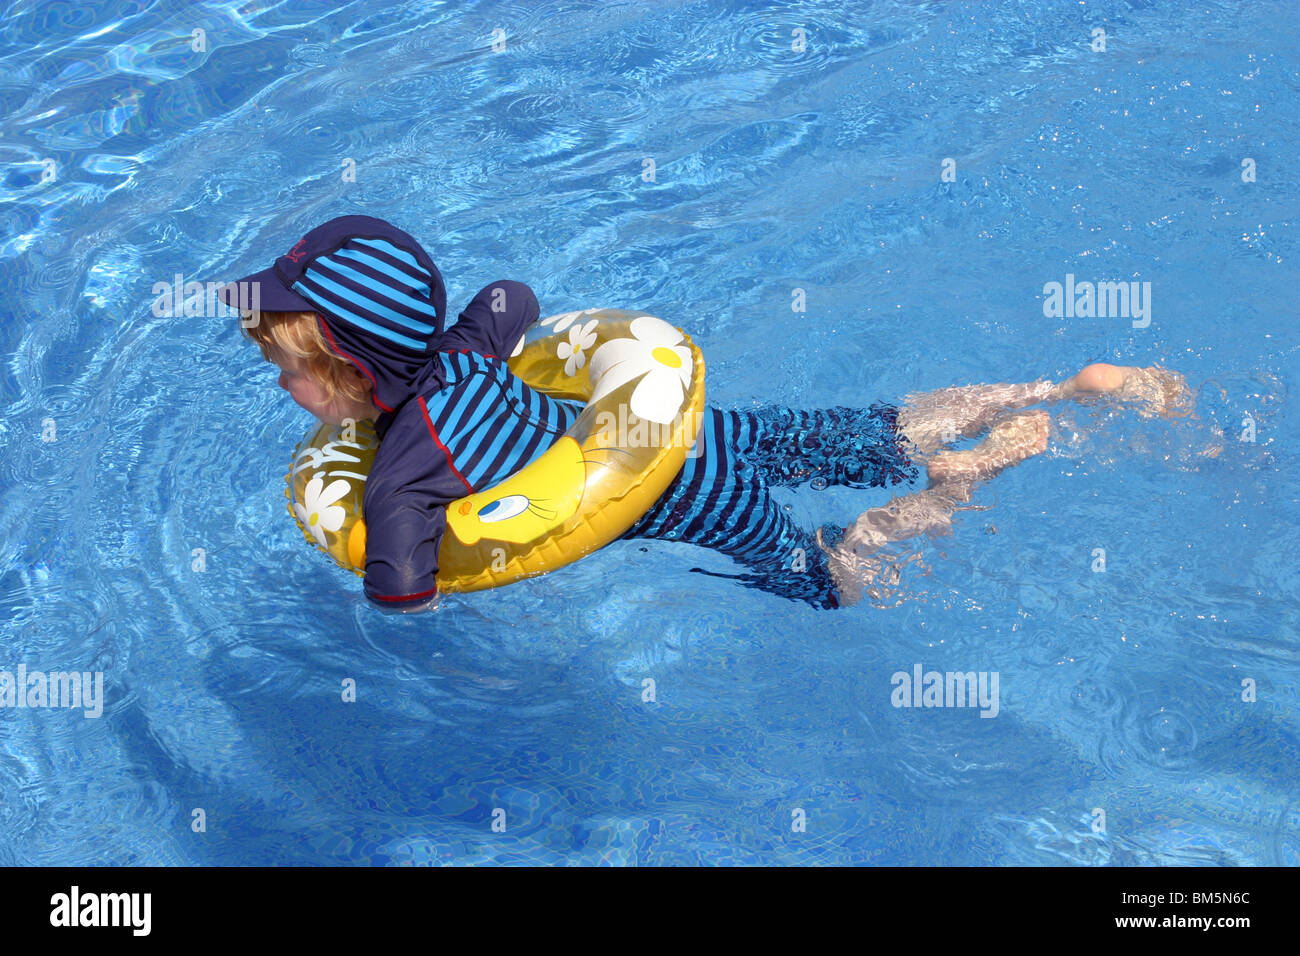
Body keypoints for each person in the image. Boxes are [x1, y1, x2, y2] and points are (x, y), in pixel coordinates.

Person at [221, 215, 1190, 611]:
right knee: (865, 429)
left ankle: (966, 479)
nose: (280, 388)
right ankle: (1055, 388)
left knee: (838, 581)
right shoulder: (469, 346)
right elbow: (511, 296)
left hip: (695, 507)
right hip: (690, 434)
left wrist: (383, 568)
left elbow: (398, 584)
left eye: (291, 373)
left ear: (351, 375)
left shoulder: (400, 468)